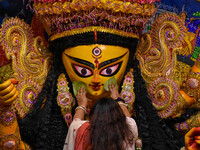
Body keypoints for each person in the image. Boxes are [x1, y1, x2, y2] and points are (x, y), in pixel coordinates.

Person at [64, 84, 138, 150]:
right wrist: (118, 99)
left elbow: (75, 124)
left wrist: (82, 105)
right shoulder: (127, 130)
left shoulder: (84, 130)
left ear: (92, 115)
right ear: (118, 114)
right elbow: (128, 119)